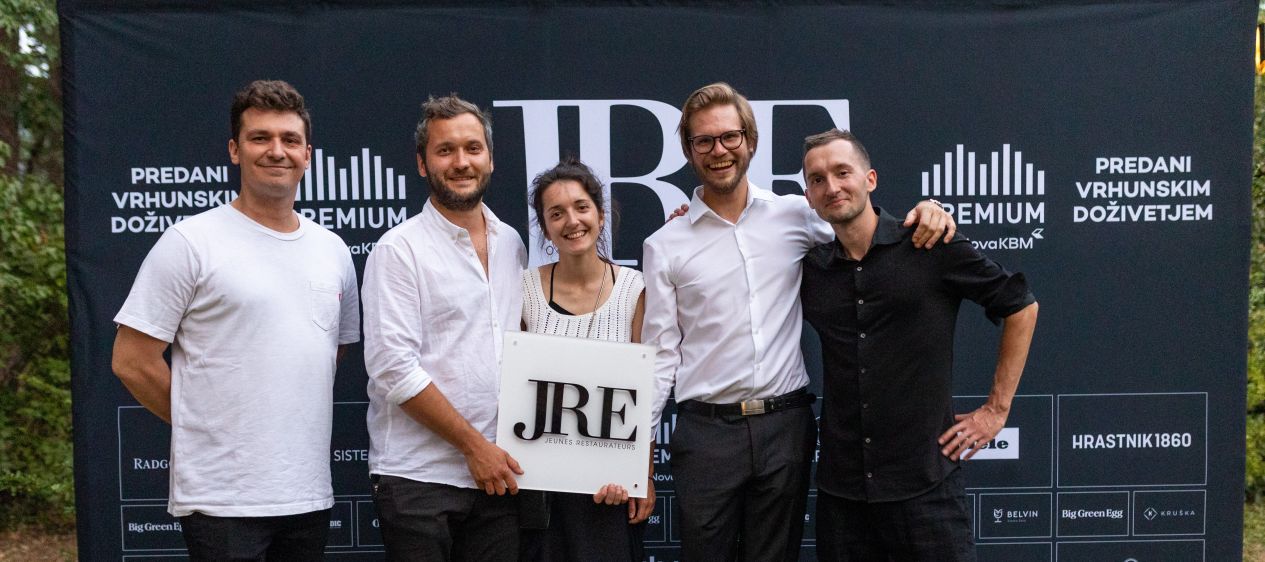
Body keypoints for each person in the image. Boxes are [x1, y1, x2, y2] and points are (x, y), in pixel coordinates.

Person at [640, 82, 955, 562]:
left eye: (729, 137)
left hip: (785, 428)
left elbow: (865, 229)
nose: (719, 150)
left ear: (750, 141)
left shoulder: (795, 214)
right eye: (704, 141)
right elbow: (661, 355)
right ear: (688, 150)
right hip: (706, 435)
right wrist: (639, 456)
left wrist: (929, 210)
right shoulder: (665, 244)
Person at [111, 79, 360, 560]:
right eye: (260, 138)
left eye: (289, 140)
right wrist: (208, 427)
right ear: (234, 150)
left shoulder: (332, 250)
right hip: (221, 498)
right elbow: (131, 361)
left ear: (307, 155)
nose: (276, 151)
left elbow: (333, 348)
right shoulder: (191, 242)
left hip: (307, 492)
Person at [797, 129, 1039, 561]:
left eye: (842, 172)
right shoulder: (811, 270)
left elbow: (1020, 306)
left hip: (927, 490)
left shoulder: (929, 244)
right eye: (817, 179)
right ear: (809, 197)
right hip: (843, 498)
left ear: (870, 179)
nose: (831, 187)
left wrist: (996, 410)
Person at [361, 94, 525, 561]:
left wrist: (489, 454)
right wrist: (475, 447)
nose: (461, 162)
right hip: (419, 480)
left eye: (473, 148)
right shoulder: (398, 250)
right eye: (445, 150)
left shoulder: (512, 243)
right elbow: (393, 369)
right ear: (422, 163)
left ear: (490, 158)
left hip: (500, 475)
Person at [518, 158, 655, 561]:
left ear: (600, 214)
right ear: (545, 228)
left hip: (609, 489)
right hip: (542, 491)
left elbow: (644, 394)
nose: (572, 221)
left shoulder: (634, 289)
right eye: (556, 213)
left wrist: (640, 475)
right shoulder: (524, 291)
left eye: (581, 207)